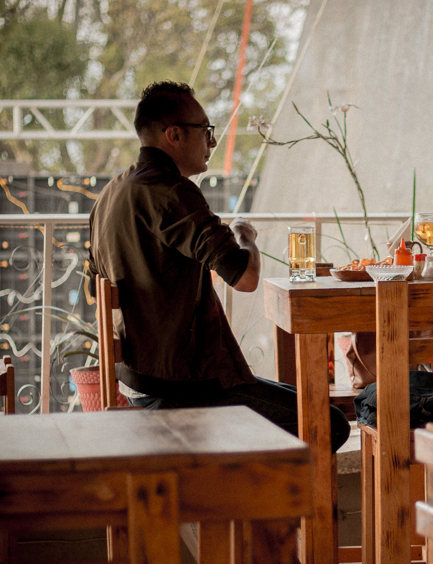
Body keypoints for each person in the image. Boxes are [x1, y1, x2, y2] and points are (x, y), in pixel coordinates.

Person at [87, 80, 350, 450]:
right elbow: (245, 277)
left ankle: (240, 499)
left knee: (297, 398)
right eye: (206, 131)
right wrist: (245, 235)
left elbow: (98, 282)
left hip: (137, 381)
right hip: (182, 388)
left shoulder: (111, 193)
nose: (212, 142)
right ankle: (242, 498)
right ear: (174, 135)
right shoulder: (172, 193)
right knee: (330, 422)